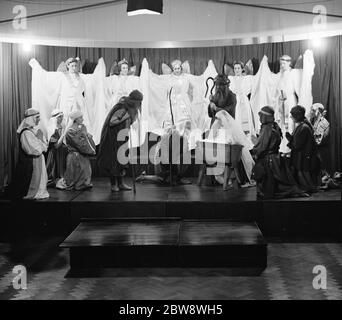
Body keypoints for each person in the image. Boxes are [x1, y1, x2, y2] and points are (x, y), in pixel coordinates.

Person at [29, 56, 106, 144]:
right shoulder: (62, 76)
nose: (74, 68)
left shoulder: (81, 77)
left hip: (79, 104)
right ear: (68, 66)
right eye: (72, 65)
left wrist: (100, 69)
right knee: (65, 121)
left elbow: (93, 79)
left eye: (75, 66)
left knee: (80, 122)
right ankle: (65, 141)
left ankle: (81, 141)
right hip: (66, 103)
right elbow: (47, 77)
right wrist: (36, 67)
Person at [251, 106, 308, 200]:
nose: (260, 118)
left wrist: (255, 149)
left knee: (269, 183)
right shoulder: (275, 126)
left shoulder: (266, 129)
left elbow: (262, 146)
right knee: (278, 181)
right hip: (275, 158)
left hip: (268, 159)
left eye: (260, 116)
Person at [97, 90, 143, 192]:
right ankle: (114, 184)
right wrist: (126, 116)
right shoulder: (122, 107)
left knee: (121, 160)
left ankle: (121, 183)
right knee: (114, 160)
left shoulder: (131, 108)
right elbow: (112, 122)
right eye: (139, 102)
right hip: (113, 138)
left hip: (122, 137)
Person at [9, 108, 49, 200]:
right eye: (37, 117)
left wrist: (41, 143)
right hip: (31, 161)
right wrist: (40, 140)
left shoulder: (34, 131)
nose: (39, 119)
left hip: (39, 159)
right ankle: (33, 192)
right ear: (32, 118)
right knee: (33, 178)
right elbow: (34, 150)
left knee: (42, 177)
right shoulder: (26, 133)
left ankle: (40, 191)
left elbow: (45, 147)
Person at [56, 110, 96, 190]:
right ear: (75, 119)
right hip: (75, 156)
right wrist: (85, 136)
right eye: (80, 117)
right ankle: (77, 184)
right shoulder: (71, 131)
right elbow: (79, 144)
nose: (82, 119)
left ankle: (82, 184)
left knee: (85, 172)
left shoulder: (81, 128)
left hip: (82, 155)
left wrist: (87, 136)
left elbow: (85, 140)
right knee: (75, 173)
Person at [286, 105, 320, 193]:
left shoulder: (303, 127)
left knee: (304, 174)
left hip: (304, 156)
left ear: (297, 115)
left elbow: (298, 145)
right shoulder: (302, 126)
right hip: (303, 156)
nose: (291, 117)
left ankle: (310, 189)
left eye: (292, 115)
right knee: (303, 174)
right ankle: (309, 188)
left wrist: (289, 139)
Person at [226, 61, 256, 141]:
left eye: (238, 68)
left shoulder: (247, 79)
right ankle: (239, 142)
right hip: (236, 102)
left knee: (247, 123)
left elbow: (250, 90)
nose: (237, 70)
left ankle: (249, 143)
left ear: (242, 69)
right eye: (235, 68)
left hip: (244, 102)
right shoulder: (231, 79)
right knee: (237, 120)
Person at [46, 109, 67, 185]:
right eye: (59, 117)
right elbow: (57, 145)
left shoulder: (61, 127)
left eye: (62, 117)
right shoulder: (52, 129)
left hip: (62, 153)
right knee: (53, 172)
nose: (61, 119)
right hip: (54, 154)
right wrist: (64, 133)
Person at [309, 103, 330, 178]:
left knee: (321, 167)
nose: (310, 111)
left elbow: (318, 140)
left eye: (312, 110)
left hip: (320, 150)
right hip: (316, 149)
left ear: (317, 111)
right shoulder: (314, 121)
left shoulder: (323, 122)